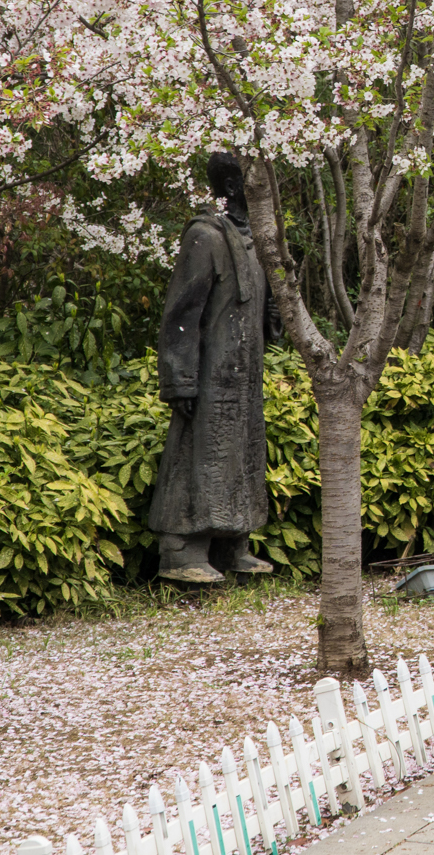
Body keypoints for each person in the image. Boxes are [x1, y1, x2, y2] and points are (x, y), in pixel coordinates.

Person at [153, 151, 280, 583]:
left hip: (245, 371)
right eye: (256, 179)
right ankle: (180, 550)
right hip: (209, 371)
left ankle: (233, 546)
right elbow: (181, 312)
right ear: (232, 187)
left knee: (243, 450)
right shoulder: (206, 236)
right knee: (199, 452)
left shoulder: (260, 238)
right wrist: (180, 379)